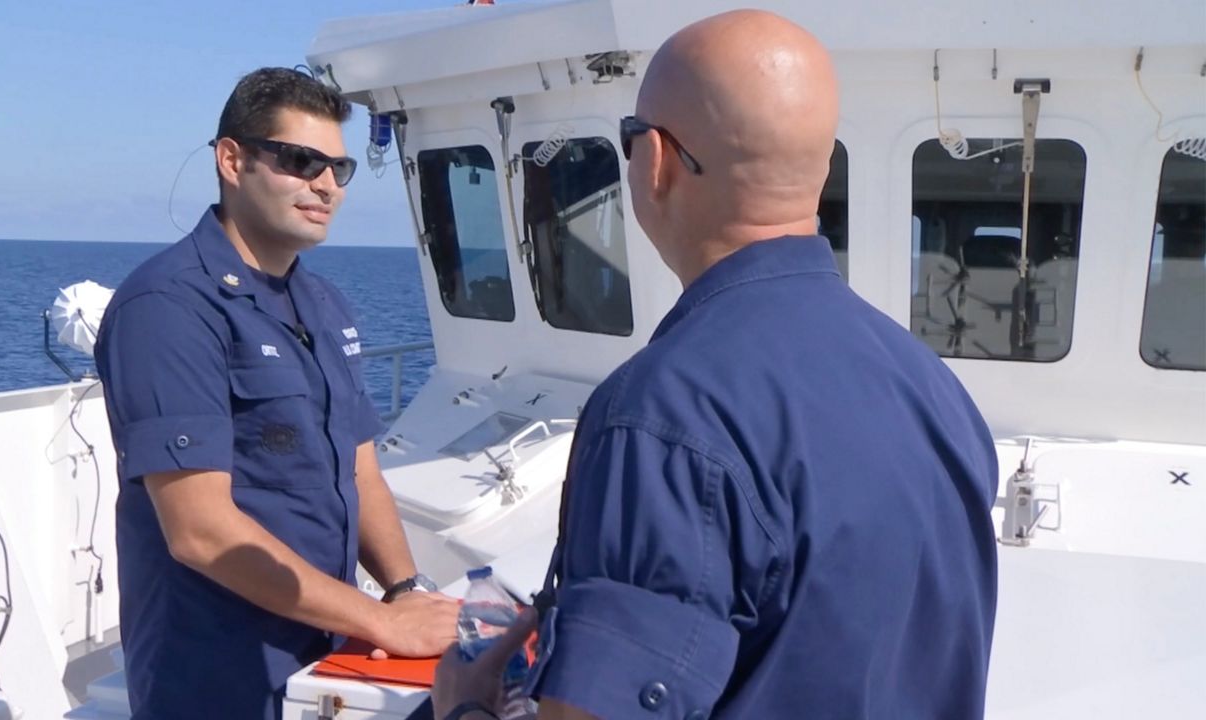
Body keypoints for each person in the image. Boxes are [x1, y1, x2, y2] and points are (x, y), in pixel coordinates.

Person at [431, 10, 999, 720]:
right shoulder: (934, 389)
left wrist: (465, 710)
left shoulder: (661, 415)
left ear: (658, 161)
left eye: (630, 140)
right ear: (819, 171)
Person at [95, 67, 458, 720]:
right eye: (300, 161)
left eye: (339, 170)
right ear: (233, 160)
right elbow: (200, 532)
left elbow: (361, 470)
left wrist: (405, 591)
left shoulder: (323, 305)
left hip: (321, 656)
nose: (325, 185)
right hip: (218, 679)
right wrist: (384, 625)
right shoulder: (168, 308)